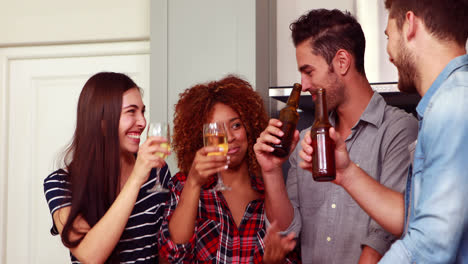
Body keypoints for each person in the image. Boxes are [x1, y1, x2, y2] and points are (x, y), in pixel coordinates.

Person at [298, 0, 468, 263]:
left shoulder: (453, 104)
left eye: (389, 36)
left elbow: (429, 245)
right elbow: (412, 219)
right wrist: (346, 174)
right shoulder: (448, 101)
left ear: (409, 24)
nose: (389, 53)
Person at [254, 9, 419, 263]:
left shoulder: (398, 129)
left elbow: (386, 233)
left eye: (309, 71)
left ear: (342, 62)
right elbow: (287, 232)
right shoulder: (306, 140)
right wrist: (272, 171)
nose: (304, 84)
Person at [156, 75, 299, 263]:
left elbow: (290, 250)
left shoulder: (269, 194)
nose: (230, 137)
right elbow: (170, 257)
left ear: (249, 128)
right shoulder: (183, 185)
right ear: (201, 138)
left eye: (236, 125)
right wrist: (193, 183)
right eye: (218, 130)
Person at [43, 72, 171, 263]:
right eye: (131, 112)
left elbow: (166, 251)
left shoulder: (157, 172)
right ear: (101, 121)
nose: (143, 122)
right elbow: (90, 255)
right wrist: (136, 179)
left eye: (143, 111)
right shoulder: (60, 184)